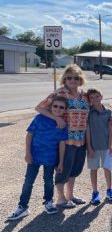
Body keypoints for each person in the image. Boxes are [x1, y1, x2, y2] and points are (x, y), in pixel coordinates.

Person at [36, 64, 90, 208]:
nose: (73, 80)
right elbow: (40, 107)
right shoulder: (60, 93)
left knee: (75, 168)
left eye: (76, 78)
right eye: (69, 77)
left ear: (80, 79)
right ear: (64, 79)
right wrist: (56, 118)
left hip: (81, 138)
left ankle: (70, 195)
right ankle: (60, 198)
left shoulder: (84, 95)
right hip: (65, 139)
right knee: (64, 167)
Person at [7, 97, 69, 221]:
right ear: (50, 107)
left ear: (65, 110)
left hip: (50, 158)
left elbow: (62, 144)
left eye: (61, 107)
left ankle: (48, 202)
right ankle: (22, 207)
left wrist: (61, 161)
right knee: (28, 181)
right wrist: (27, 153)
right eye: (55, 106)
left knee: (48, 180)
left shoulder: (62, 124)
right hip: (34, 156)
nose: (57, 109)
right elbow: (29, 136)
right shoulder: (39, 119)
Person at [86, 88, 112, 204]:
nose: (95, 99)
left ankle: (109, 190)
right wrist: (89, 147)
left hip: (105, 146)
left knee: (107, 168)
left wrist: (110, 145)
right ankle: (95, 192)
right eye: (92, 98)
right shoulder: (89, 112)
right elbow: (87, 130)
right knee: (93, 169)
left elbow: (110, 129)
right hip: (93, 147)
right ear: (89, 100)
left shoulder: (108, 112)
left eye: (97, 96)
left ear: (101, 96)